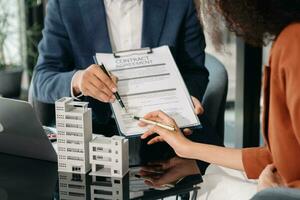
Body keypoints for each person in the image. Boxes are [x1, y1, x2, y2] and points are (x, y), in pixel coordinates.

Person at [32, 0, 223, 172]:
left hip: (167, 132)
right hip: (94, 135)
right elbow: (42, 77)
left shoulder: (180, 4)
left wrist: (185, 102)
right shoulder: (65, 5)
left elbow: (194, 71)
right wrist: (78, 80)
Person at [140, 0, 300, 197]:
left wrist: (271, 193)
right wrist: (189, 151)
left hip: (283, 192)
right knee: (213, 175)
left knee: (212, 187)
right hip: (280, 183)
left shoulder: (293, 43)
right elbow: (277, 156)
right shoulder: (288, 39)